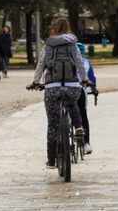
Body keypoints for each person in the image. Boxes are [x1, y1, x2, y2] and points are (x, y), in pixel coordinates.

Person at [28, 18, 89, 168]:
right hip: (72, 85)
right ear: (68, 28)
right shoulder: (72, 44)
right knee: (72, 103)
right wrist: (86, 80)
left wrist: (35, 82)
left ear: (53, 28)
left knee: (52, 124)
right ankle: (78, 126)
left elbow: (41, 65)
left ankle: (51, 160)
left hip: (52, 87)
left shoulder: (48, 45)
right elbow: (80, 63)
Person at [74, 42, 97, 154]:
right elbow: (91, 77)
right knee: (83, 114)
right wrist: (94, 89)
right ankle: (86, 142)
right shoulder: (86, 62)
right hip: (79, 88)